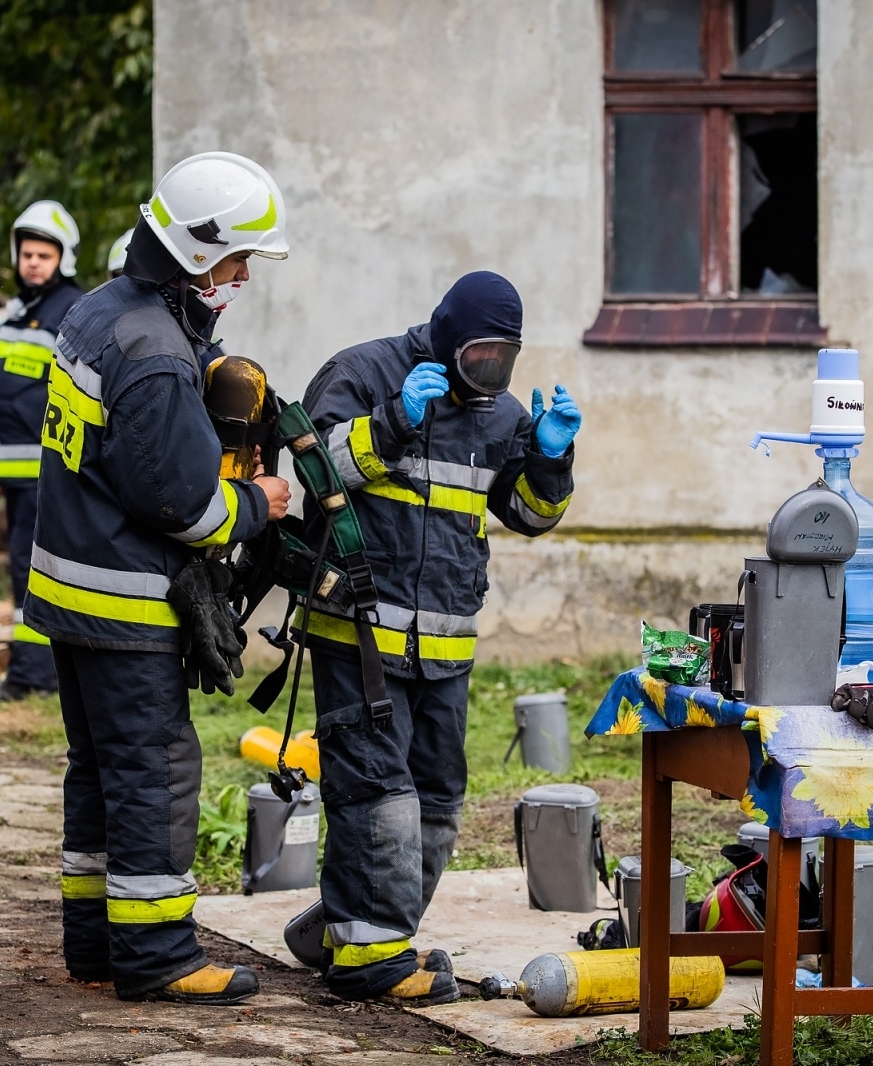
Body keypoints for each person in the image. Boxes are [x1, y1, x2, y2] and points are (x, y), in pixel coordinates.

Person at [22, 152, 293, 1004]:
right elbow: (186, 506)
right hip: (125, 603)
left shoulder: (101, 313)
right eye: (236, 261)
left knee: (98, 773)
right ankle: (156, 955)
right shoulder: (156, 354)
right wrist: (259, 500)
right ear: (194, 250)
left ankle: (95, 944)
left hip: (69, 597)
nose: (243, 276)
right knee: (154, 771)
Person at [297, 271, 582, 1004]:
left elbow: (528, 512)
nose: (489, 372)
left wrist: (550, 456)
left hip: (446, 648)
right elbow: (315, 468)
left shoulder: (501, 414)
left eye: (504, 359)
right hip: (360, 636)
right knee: (376, 795)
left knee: (435, 802)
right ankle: (375, 961)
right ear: (449, 336)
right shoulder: (362, 373)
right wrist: (390, 421)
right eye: (479, 354)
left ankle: (345, 931)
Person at [0, 201, 84, 701]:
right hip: (15, 472)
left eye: (44, 254)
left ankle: (34, 677)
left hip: (46, 470)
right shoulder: (22, 313)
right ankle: (36, 673)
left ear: (64, 259)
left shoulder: (69, 311)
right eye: (27, 253)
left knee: (34, 569)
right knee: (23, 569)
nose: (34, 262)